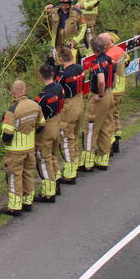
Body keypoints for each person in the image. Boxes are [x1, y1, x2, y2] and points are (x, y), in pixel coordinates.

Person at [2, 80, 44, 215]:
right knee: (28, 174)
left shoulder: (12, 110)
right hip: (29, 148)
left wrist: (3, 141)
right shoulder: (35, 106)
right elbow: (41, 125)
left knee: (15, 176)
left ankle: (15, 206)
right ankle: (27, 201)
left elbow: (7, 134)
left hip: (15, 150)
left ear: (13, 92)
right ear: (25, 90)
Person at [81, 35, 116, 171]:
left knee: (90, 128)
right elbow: (114, 77)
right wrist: (108, 89)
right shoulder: (109, 59)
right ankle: (102, 159)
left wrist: (99, 94)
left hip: (100, 97)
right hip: (109, 94)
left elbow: (100, 80)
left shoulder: (97, 63)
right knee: (106, 127)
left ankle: (88, 162)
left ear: (93, 48)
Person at [55, 45, 86, 184]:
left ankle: (69, 172)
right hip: (80, 101)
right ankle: (75, 162)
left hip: (69, 105)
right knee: (74, 134)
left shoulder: (63, 76)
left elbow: (57, 91)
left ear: (61, 59)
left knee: (66, 138)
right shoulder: (79, 68)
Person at [34, 64, 65, 202]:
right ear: (52, 74)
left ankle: (48, 192)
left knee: (43, 159)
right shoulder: (59, 88)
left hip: (46, 128)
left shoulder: (42, 96)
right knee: (52, 155)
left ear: (41, 76)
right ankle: (57, 178)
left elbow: (36, 114)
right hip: (57, 123)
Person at [99, 32, 129, 155]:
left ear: (106, 43)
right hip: (121, 88)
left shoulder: (109, 55)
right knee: (115, 115)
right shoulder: (120, 50)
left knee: (108, 118)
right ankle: (116, 140)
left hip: (113, 90)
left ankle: (109, 145)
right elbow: (127, 61)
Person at [44, 0, 87, 65]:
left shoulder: (77, 13)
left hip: (71, 45)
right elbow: (45, 22)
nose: (64, 7)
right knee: (57, 64)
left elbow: (83, 27)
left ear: (70, 4)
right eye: (62, 5)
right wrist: (46, 11)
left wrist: (74, 41)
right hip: (57, 44)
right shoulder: (54, 11)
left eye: (66, 5)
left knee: (70, 65)